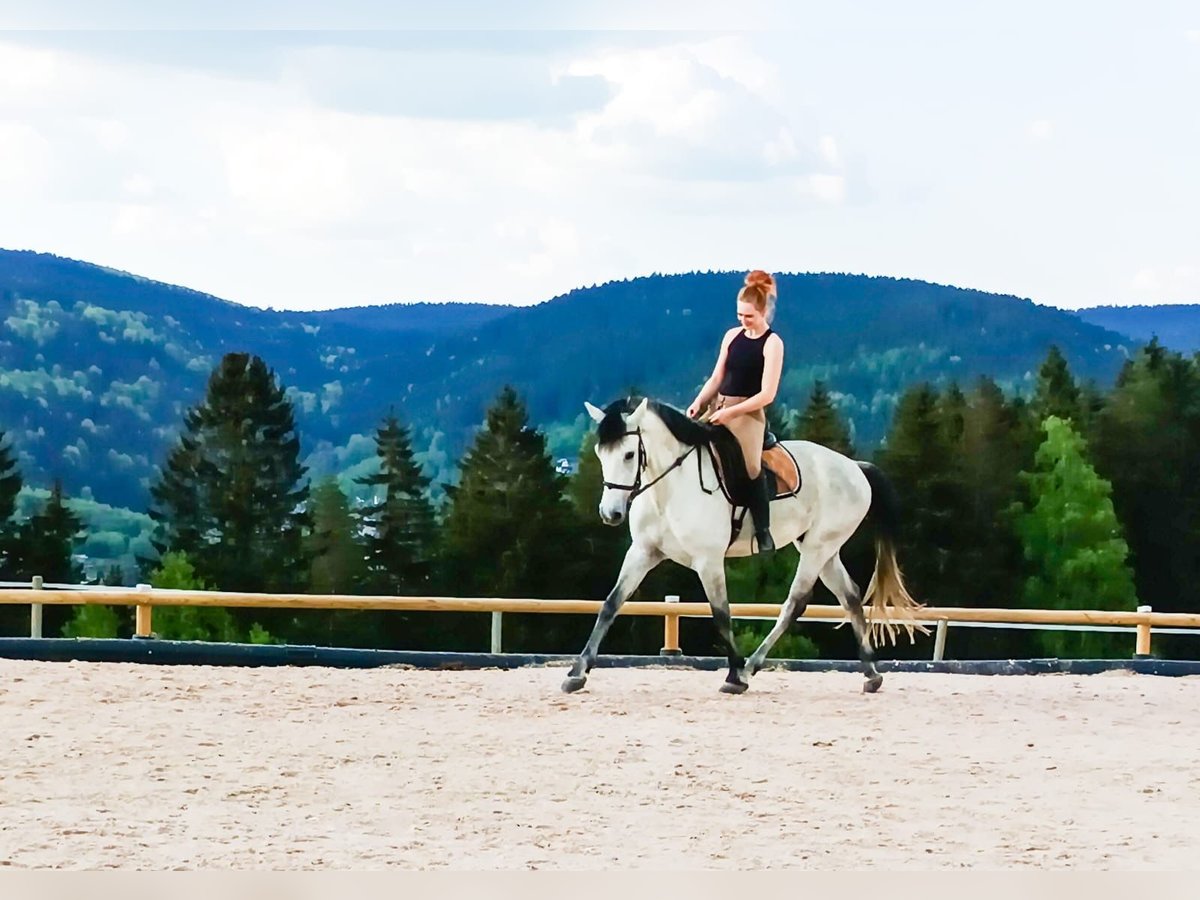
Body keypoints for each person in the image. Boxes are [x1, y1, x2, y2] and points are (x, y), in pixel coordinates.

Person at [686, 270, 784, 552]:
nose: (743, 320)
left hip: (749, 414)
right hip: (720, 406)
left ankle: (763, 531)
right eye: (740, 315)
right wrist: (699, 401)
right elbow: (717, 377)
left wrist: (732, 413)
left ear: (763, 311)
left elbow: (767, 393)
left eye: (749, 316)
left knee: (751, 468)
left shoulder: (772, 343)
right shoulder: (732, 336)